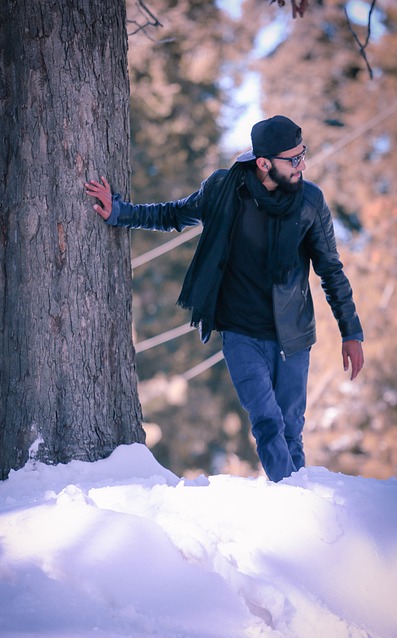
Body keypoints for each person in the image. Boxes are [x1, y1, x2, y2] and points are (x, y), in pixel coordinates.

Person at [85, 115, 364, 482]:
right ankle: (292, 496)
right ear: (264, 163)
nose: (303, 165)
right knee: (267, 421)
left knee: (291, 428)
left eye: (303, 155)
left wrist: (351, 332)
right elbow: (173, 214)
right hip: (242, 334)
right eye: (293, 159)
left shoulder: (310, 201)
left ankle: (297, 505)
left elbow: (331, 270)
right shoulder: (224, 189)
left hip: (293, 336)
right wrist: (119, 211)